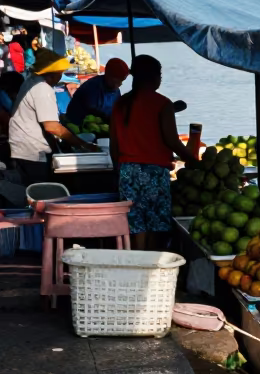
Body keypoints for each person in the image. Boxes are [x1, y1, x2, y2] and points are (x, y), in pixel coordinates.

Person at [108, 55, 198, 250]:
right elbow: (172, 141)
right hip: (154, 173)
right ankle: (151, 265)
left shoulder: (121, 103)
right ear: (154, 76)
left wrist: (120, 170)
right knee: (155, 224)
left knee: (136, 224)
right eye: (160, 74)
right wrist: (193, 160)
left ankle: (137, 262)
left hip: (127, 172)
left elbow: (114, 146)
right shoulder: (162, 104)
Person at [7, 48, 91, 185]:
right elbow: (52, 126)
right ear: (52, 74)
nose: (61, 76)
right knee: (40, 190)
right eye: (60, 73)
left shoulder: (32, 81)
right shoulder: (42, 88)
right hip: (31, 149)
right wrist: (81, 144)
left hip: (23, 145)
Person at [66, 57, 129, 126]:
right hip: (81, 126)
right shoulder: (92, 87)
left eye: (121, 81)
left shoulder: (115, 91)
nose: (120, 84)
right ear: (108, 75)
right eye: (117, 81)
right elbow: (93, 110)